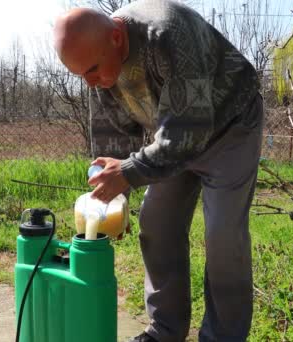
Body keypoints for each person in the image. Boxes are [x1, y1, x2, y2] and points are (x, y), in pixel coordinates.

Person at [53, 1, 263, 341]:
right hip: (174, 135)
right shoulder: (98, 64)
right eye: (82, 76)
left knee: (223, 235)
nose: (91, 84)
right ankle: (165, 329)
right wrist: (114, 197)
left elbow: (190, 129)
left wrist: (132, 171)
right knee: (156, 222)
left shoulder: (168, 33)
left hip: (231, 128)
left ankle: (223, 336)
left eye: (93, 70)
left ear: (117, 37)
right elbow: (114, 141)